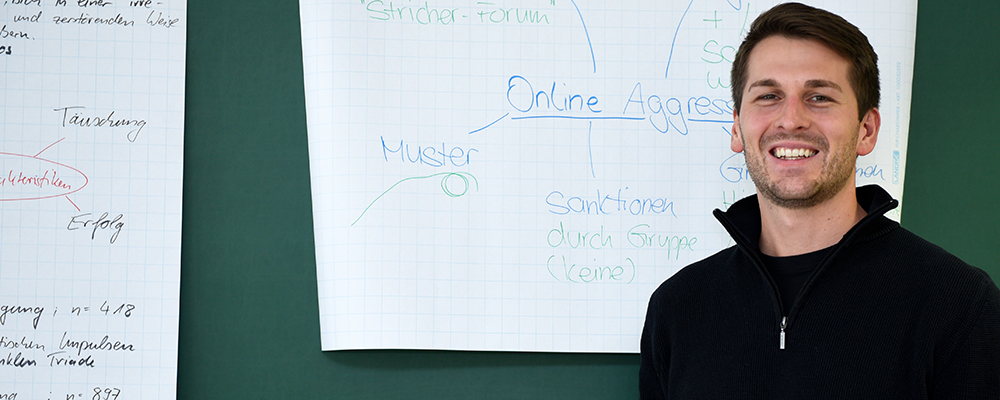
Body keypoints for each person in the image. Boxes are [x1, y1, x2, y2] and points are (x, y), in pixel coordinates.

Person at [639, 3, 1000, 399]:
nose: (791, 119)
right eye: (769, 95)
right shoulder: (678, 308)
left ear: (866, 130)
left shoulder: (958, 303)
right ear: (737, 128)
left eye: (819, 97)